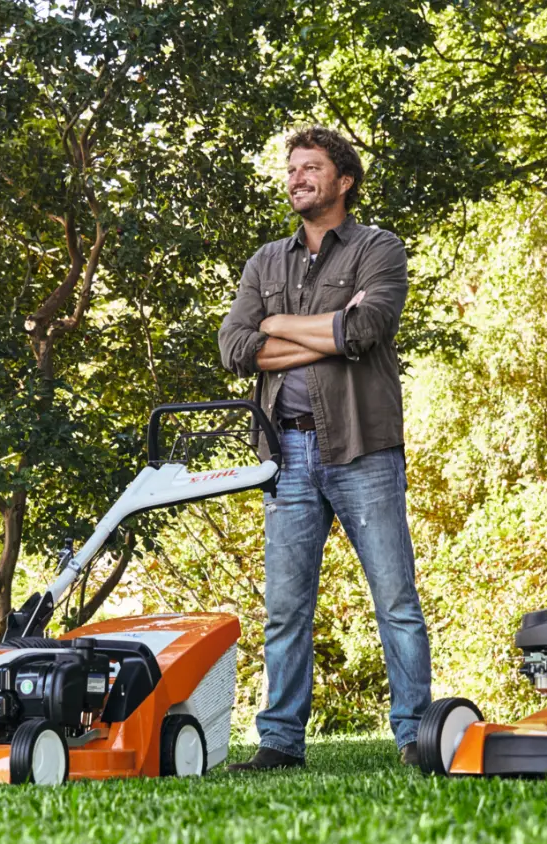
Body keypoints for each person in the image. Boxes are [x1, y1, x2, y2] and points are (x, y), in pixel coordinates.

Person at [217, 126, 431, 770]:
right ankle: (280, 743)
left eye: (311, 168)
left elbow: (366, 329)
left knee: (395, 601)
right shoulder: (266, 262)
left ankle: (418, 735)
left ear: (344, 181)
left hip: (363, 449)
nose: (296, 178)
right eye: (291, 169)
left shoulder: (378, 249)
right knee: (284, 609)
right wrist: (322, 332)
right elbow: (234, 347)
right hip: (285, 454)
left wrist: (275, 328)